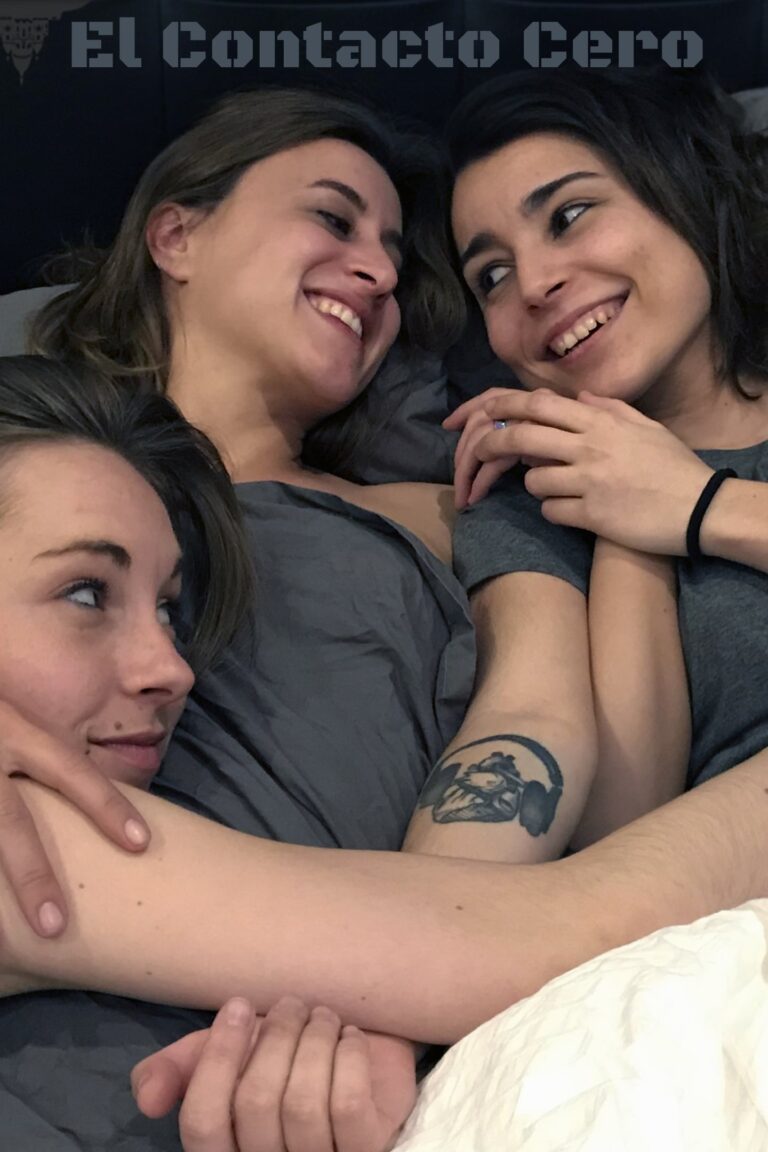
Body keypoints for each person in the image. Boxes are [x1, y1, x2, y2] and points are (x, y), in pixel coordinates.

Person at [3, 67, 768, 1149]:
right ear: (175, 234)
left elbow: (552, 768)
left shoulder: (455, 504)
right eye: (331, 218)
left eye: (398, 259)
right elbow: (553, 776)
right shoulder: (44, 458)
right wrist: (408, 980)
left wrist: (399, 989)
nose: (374, 270)